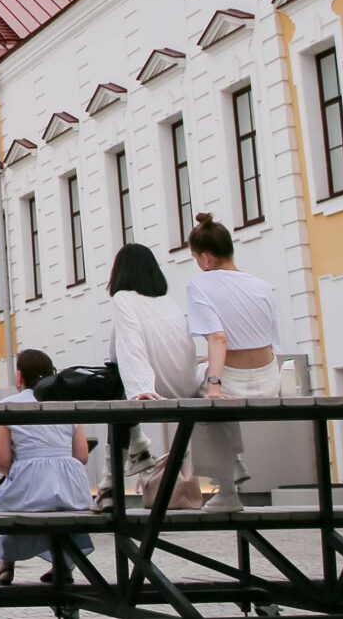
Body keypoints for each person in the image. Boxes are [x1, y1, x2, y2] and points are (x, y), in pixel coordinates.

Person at [182, 215, 280, 511]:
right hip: (268, 378)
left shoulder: (199, 285)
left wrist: (213, 385)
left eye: (196, 258)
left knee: (195, 395)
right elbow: (270, 342)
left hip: (233, 381)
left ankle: (226, 488)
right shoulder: (261, 285)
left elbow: (218, 338)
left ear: (207, 257)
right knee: (205, 375)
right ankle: (234, 465)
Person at [0, 349, 92, 585]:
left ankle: (6, 564)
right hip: (71, 483)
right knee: (62, 510)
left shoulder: (7, 405)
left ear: (19, 376)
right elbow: (82, 455)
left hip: (29, 475)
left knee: (2, 503)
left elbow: (3, 460)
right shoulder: (67, 403)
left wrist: (16, 475)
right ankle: (63, 564)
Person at [103, 242, 200, 491]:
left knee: (114, 387)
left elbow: (129, 346)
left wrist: (140, 388)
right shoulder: (168, 302)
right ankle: (137, 447)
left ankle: (111, 482)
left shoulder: (123, 299)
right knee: (116, 375)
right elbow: (119, 347)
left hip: (155, 386)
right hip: (185, 384)